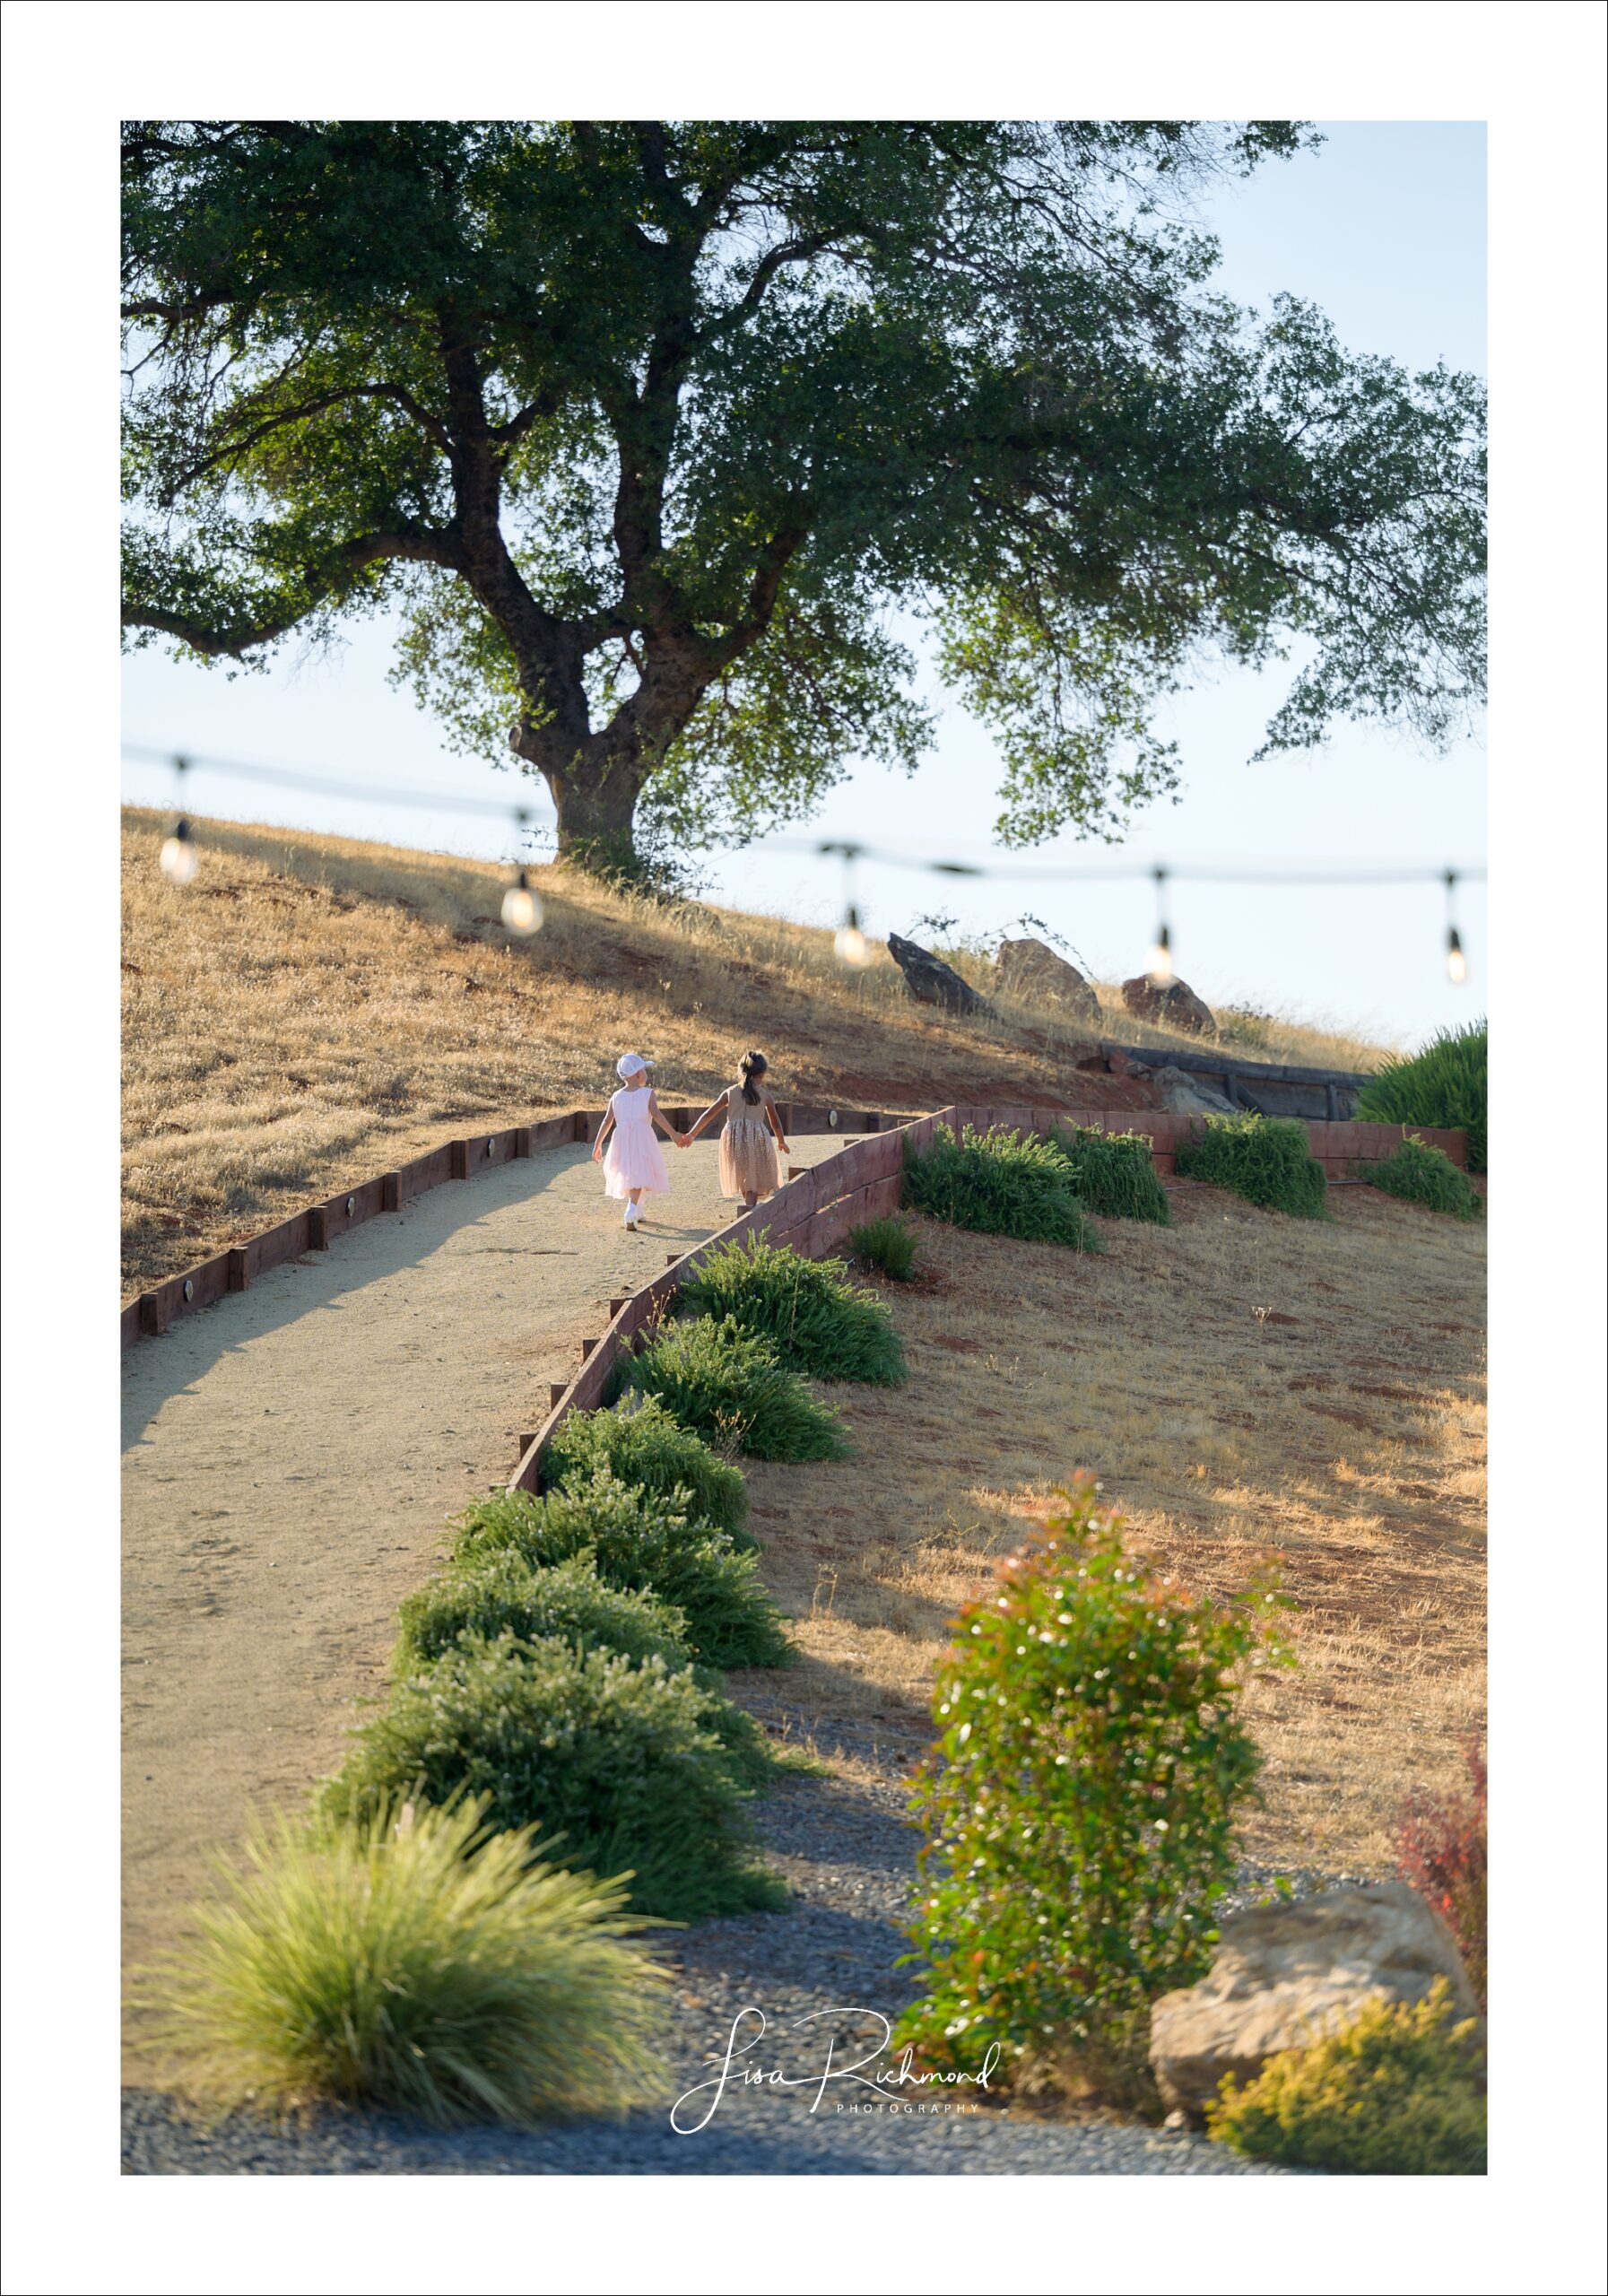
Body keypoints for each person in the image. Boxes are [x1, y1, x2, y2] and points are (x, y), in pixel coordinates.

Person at [679, 1050, 789, 1206]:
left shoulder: (730, 1092)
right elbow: (776, 1123)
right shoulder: (765, 1096)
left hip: (734, 1140)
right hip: (756, 1139)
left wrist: (692, 1134)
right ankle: (749, 1212)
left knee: (744, 1177)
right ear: (762, 1074)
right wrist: (781, 1141)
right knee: (754, 1179)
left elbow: (709, 1114)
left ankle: (748, 1208)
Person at [592, 1053, 678, 1230]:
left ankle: (637, 1209)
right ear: (639, 1074)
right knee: (639, 1172)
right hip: (642, 1137)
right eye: (644, 1070)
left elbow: (607, 1121)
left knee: (631, 1172)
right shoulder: (648, 1093)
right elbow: (657, 1114)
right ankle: (630, 1210)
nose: (646, 1074)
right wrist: (673, 1133)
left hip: (622, 1139)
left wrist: (598, 1144)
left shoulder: (616, 1096)